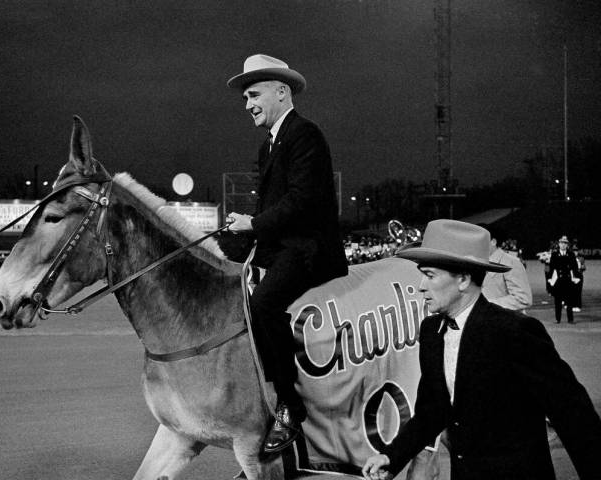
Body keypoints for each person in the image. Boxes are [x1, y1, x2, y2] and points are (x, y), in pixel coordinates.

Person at [362, 219, 601, 480]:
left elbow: (573, 415)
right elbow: (432, 411)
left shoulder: (516, 332)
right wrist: (391, 456)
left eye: (429, 275)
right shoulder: (431, 332)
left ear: (463, 280)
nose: (421, 285)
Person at [226, 53, 348, 454]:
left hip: (310, 249)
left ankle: (291, 409)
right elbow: (271, 209)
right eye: (245, 98)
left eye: (254, 95)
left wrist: (254, 224)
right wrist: (241, 231)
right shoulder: (269, 144)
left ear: (282, 91)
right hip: (282, 247)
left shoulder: (305, 134)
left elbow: (302, 202)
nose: (248, 105)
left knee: (262, 305)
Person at [478, 223, 532, 311]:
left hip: (505, 321)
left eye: (481, 240)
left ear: (493, 242)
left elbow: (523, 299)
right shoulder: (475, 262)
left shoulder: (511, 263)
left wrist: (487, 305)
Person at [548, 235, 580, 323]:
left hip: (568, 280)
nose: (563, 245)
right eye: (561, 243)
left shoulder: (571, 254)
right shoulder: (555, 254)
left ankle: (570, 319)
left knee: (569, 301)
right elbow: (551, 267)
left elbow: (574, 267)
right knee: (557, 301)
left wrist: (576, 278)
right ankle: (558, 319)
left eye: (565, 243)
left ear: (567, 245)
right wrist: (550, 280)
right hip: (558, 280)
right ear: (559, 244)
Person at [571, 242, 585, 313]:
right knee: (572, 291)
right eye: (573, 251)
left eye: (576, 251)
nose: (575, 252)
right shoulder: (569, 258)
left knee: (578, 292)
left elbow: (584, 267)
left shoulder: (581, 258)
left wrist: (580, 267)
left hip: (579, 276)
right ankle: (573, 305)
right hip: (572, 276)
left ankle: (578, 306)